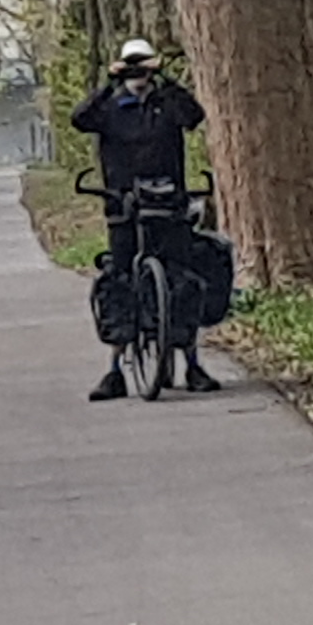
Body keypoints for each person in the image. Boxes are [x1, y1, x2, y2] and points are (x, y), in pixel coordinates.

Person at [70, 37, 217, 399]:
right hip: (123, 205)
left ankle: (192, 364)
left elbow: (194, 116)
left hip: (168, 203)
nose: (137, 74)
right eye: (131, 66)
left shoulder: (167, 103)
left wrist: (164, 78)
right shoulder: (110, 107)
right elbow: (80, 119)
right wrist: (110, 82)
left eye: (143, 65)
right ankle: (115, 369)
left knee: (181, 280)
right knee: (120, 282)